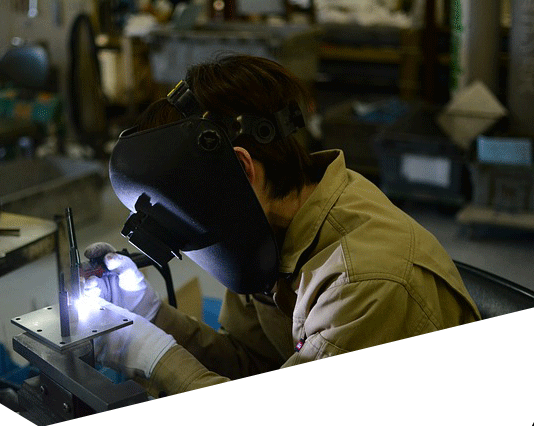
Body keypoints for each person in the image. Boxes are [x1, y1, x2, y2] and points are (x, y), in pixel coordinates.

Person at [82, 54, 481, 396]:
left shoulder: (364, 281)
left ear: (241, 169)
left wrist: (151, 357)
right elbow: (255, 364)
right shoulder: (265, 229)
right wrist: (151, 315)